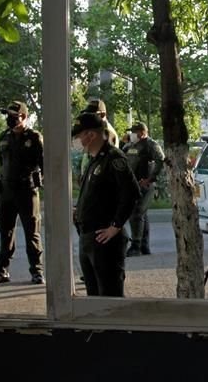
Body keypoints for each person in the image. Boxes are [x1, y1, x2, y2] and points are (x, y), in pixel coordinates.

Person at [72, 111, 141, 297]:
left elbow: (131, 193)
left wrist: (115, 226)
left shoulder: (114, 158)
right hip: (88, 237)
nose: (76, 141)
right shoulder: (94, 160)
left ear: (91, 135)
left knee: (110, 297)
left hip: (105, 240)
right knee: (94, 297)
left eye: (78, 136)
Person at [0, 100, 45, 285]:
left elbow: (44, 164)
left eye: (14, 116)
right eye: (8, 116)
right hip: (7, 191)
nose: (9, 120)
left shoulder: (34, 138)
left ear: (24, 117)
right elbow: (2, 163)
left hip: (27, 191)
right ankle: (2, 270)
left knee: (32, 232)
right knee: (5, 231)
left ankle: (37, 271)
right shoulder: (3, 137)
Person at [123, 122, 165, 257]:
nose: (132, 134)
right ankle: (144, 245)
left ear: (142, 132)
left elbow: (161, 160)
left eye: (134, 132)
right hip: (132, 184)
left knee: (137, 213)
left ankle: (136, 246)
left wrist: (150, 179)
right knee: (142, 214)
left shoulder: (151, 145)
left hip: (145, 185)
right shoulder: (130, 146)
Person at [76, 98, 119, 180]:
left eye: (92, 115)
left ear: (102, 115)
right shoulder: (95, 130)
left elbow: (106, 161)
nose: (88, 117)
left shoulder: (108, 133)